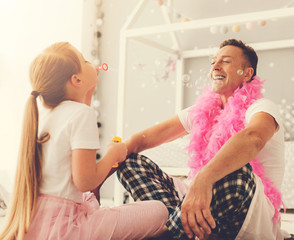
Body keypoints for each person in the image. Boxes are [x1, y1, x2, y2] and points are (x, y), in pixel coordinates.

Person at [111, 39, 288, 240]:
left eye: (226, 61)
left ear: (247, 73)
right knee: (130, 161)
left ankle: (169, 233)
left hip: (249, 214)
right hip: (199, 203)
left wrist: (204, 178)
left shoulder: (262, 106)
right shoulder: (202, 111)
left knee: (235, 167)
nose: (216, 66)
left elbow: (253, 138)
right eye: (213, 62)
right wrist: (97, 176)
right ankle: (179, 228)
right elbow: (142, 139)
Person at [0, 42, 168, 240]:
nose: (91, 63)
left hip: (35, 222)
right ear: (76, 79)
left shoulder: (41, 115)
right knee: (159, 211)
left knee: (91, 202)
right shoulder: (82, 114)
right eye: (85, 60)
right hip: (66, 228)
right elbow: (86, 181)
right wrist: (114, 153)